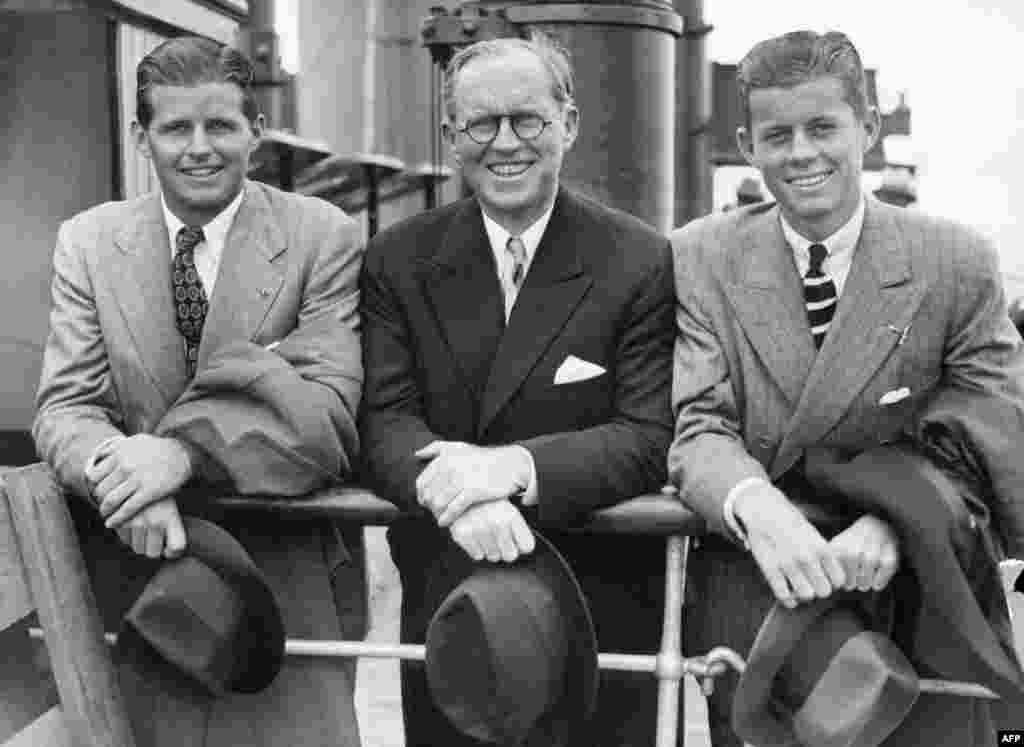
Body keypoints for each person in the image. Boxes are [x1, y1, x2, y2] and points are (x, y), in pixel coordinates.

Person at [668, 30, 1024, 747]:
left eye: (823, 127)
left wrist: (901, 518)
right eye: (777, 135)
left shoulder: (953, 261)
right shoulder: (697, 255)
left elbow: (995, 419)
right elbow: (697, 420)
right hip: (758, 587)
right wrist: (753, 504)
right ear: (746, 142)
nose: (801, 153)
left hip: (917, 592)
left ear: (866, 128)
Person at [33, 35, 365, 747]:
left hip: (289, 587)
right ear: (140, 136)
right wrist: (123, 477)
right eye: (176, 127)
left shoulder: (322, 238)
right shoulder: (88, 243)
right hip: (144, 576)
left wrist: (176, 455)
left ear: (257, 132)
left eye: (221, 125)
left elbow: (329, 416)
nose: (199, 147)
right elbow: (66, 408)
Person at [359, 33, 675, 747]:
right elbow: (383, 420)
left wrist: (505, 472)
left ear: (568, 123)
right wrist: (459, 500)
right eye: (481, 123)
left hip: (597, 618)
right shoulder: (398, 260)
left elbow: (649, 434)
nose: (505, 142)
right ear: (450, 135)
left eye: (527, 119)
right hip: (452, 606)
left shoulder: (637, 259)